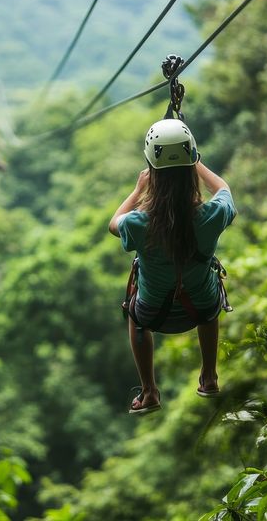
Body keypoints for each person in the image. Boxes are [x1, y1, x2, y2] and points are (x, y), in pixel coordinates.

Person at [108, 118, 236, 415]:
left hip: (153, 312)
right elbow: (224, 189)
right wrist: (196, 162)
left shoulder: (139, 224)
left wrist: (139, 189)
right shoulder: (212, 215)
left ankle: (149, 390)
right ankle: (209, 376)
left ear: (152, 172)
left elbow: (114, 223)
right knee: (210, 303)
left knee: (134, 314)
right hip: (201, 308)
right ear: (191, 164)